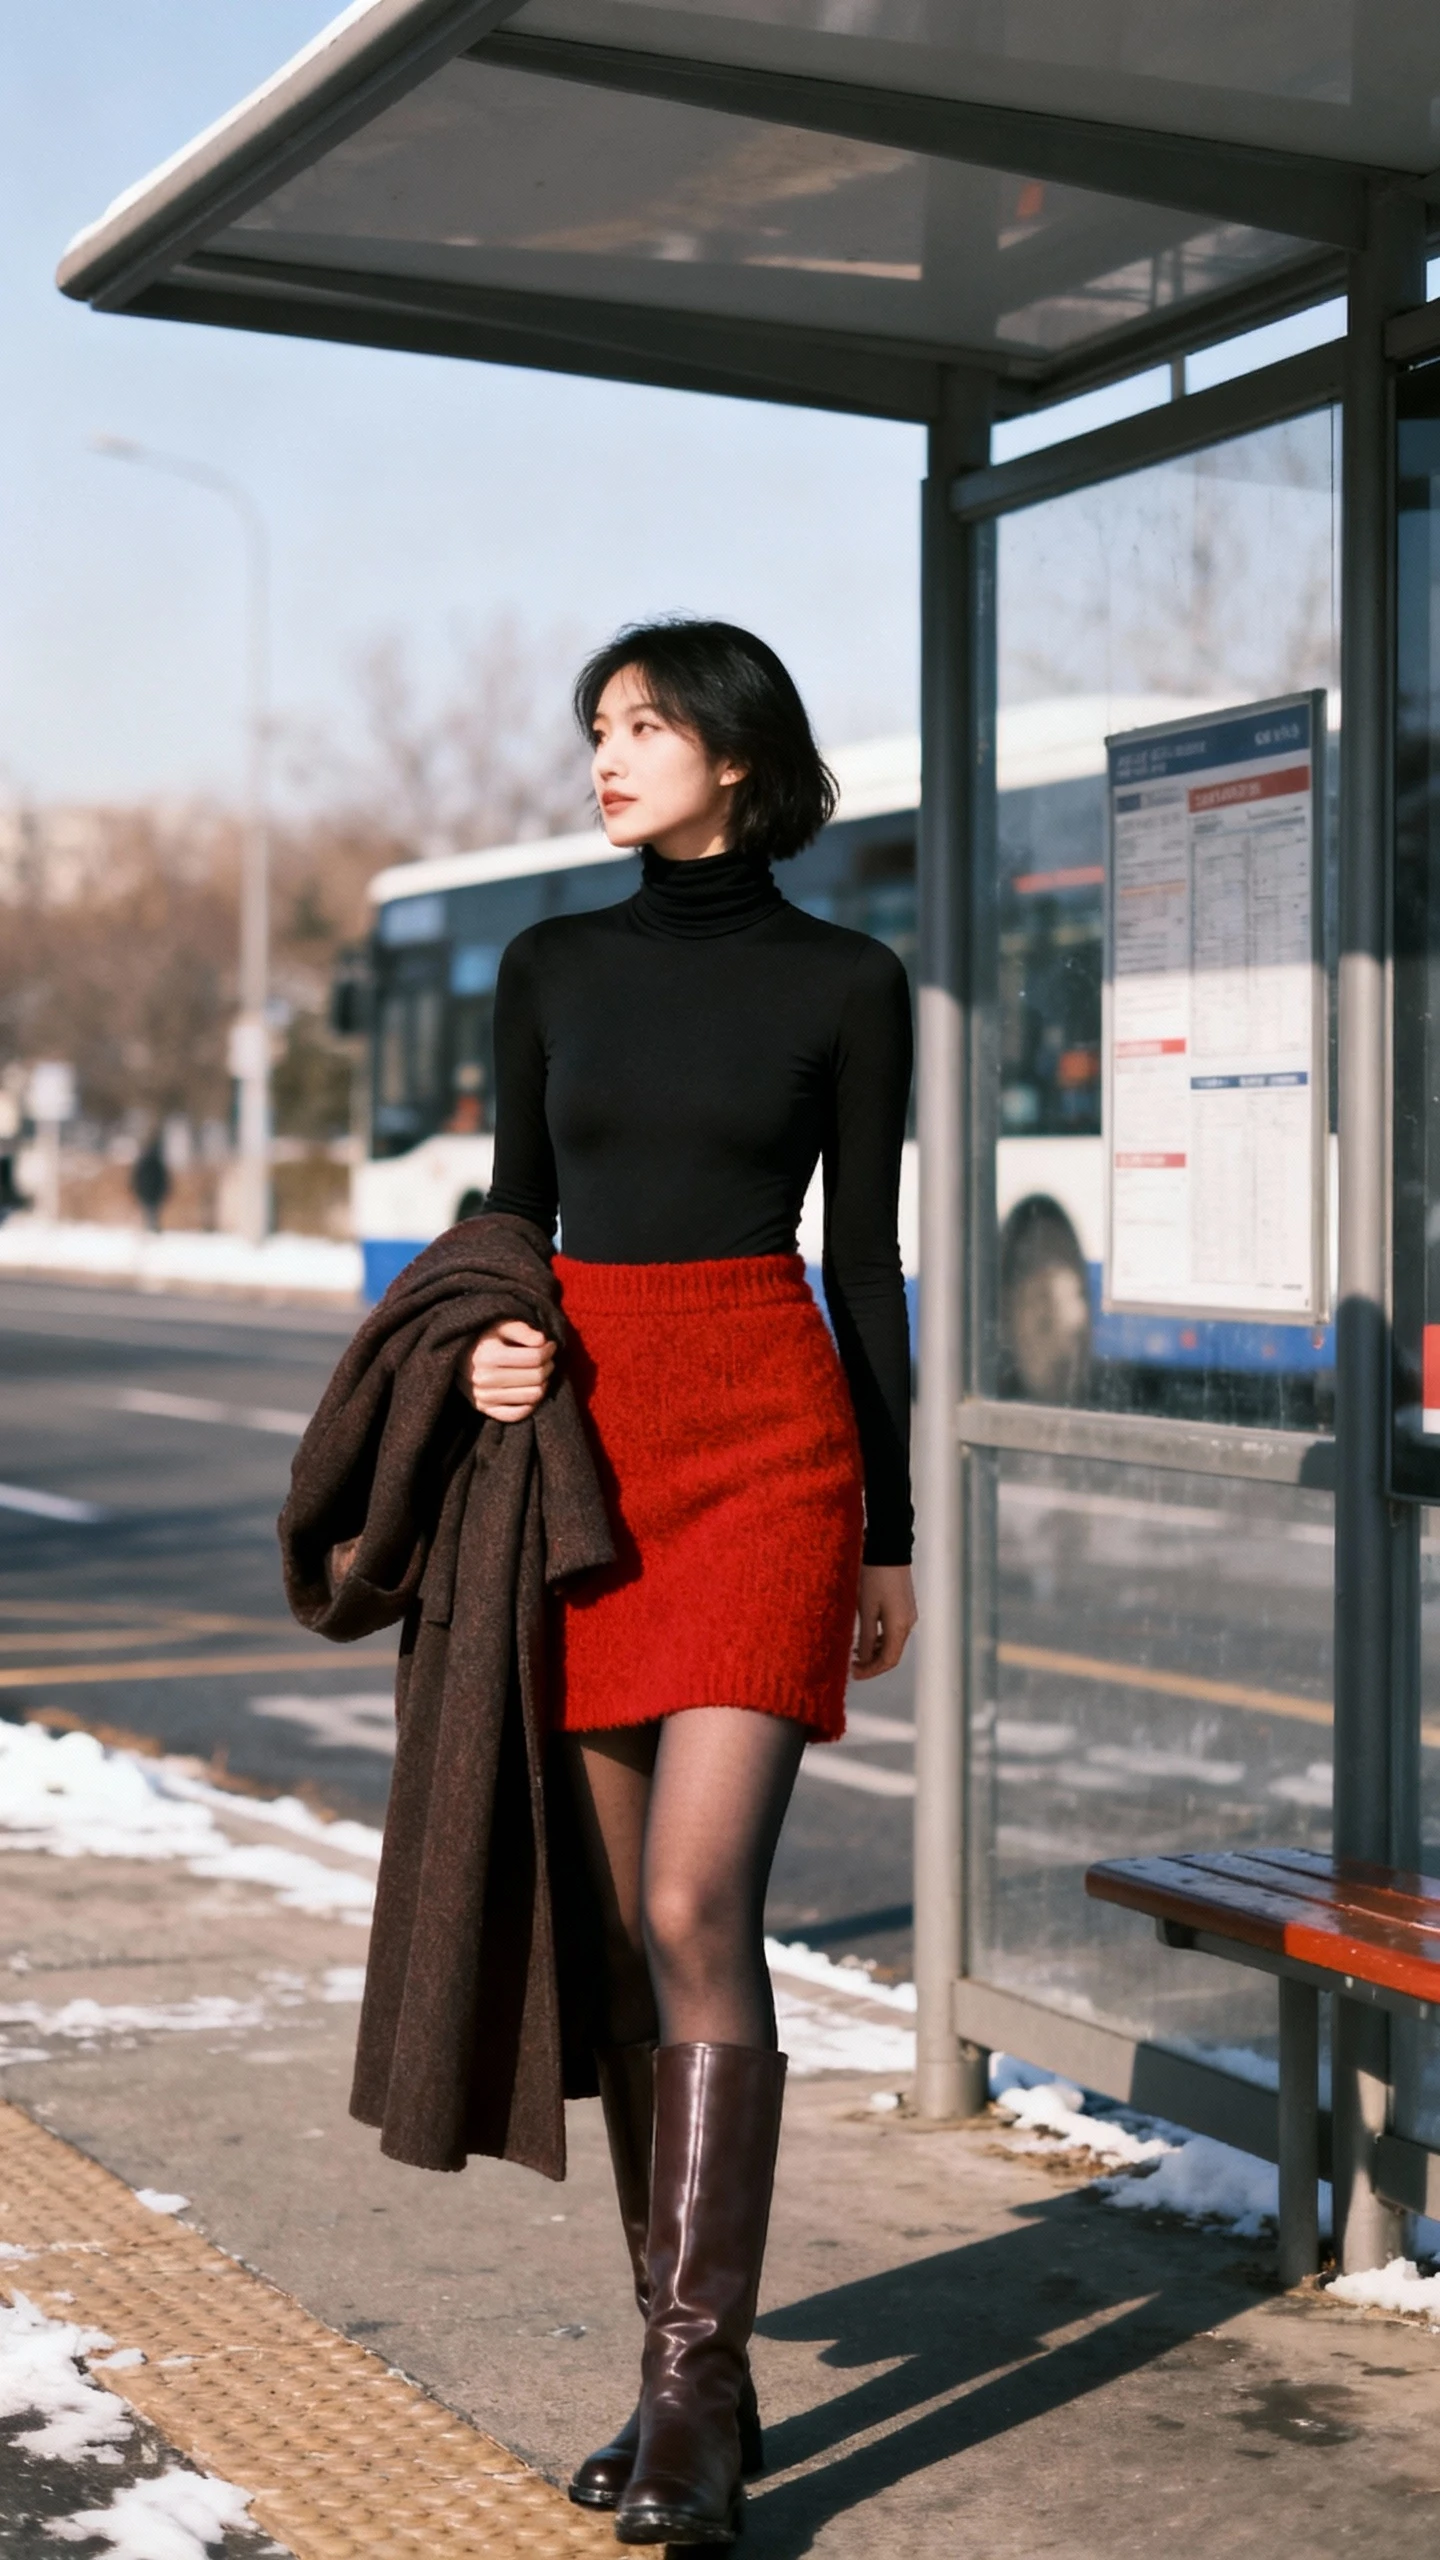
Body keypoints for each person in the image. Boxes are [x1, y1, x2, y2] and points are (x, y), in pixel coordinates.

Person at [464, 619, 916, 2549]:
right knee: (621, 1929)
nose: (608, 753)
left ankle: (687, 2394)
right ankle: (692, 2382)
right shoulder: (548, 966)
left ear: (737, 753)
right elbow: (514, 1211)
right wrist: (494, 1343)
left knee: (692, 1899)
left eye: (644, 724)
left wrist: (889, 1530)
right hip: (588, 1452)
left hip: (769, 1452)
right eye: (598, 726)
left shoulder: (851, 981)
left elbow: (864, 1262)